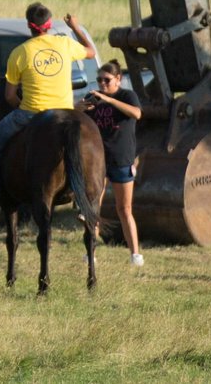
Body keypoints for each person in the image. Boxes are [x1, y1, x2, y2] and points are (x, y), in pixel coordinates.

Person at [0, 3, 95, 227]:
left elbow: (8, 97)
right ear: (50, 23)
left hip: (32, 113)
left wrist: (21, 106)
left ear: (30, 26)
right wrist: (75, 27)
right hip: (65, 110)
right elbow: (91, 51)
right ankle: (85, 199)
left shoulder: (20, 52)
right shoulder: (64, 43)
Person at [82, 60, 144, 267]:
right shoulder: (95, 98)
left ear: (118, 79)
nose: (102, 84)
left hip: (121, 158)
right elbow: (76, 115)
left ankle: (135, 254)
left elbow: (136, 113)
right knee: (93, 207)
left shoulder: (127, 96)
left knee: (124, 208)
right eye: (99, 80)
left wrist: (109, 101)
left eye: (106, 80)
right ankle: (91, 253)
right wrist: (80, 107)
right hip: (98, 161)